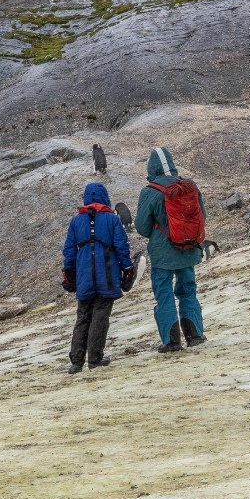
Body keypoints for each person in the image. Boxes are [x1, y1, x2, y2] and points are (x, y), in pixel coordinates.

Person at [134, 147, 207, 352]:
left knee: (164, 293)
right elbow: (203, 216)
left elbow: (142, 226)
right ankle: (195, 335)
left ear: (151, 168)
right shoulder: (189, 186)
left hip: (162, 254)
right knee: (188, 291)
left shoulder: (150, 191)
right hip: (188, 248)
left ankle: (172, 341)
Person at [62, 182, 134, 373]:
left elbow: (69, 251)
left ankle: (76, 362)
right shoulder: (112, 219)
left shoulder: (77, 221)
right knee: (100, 316)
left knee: (83, 316)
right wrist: (127, 269)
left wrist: (69, 275)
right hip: (107, 275)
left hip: (84, 276)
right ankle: (95, 358)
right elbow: (121, 246)